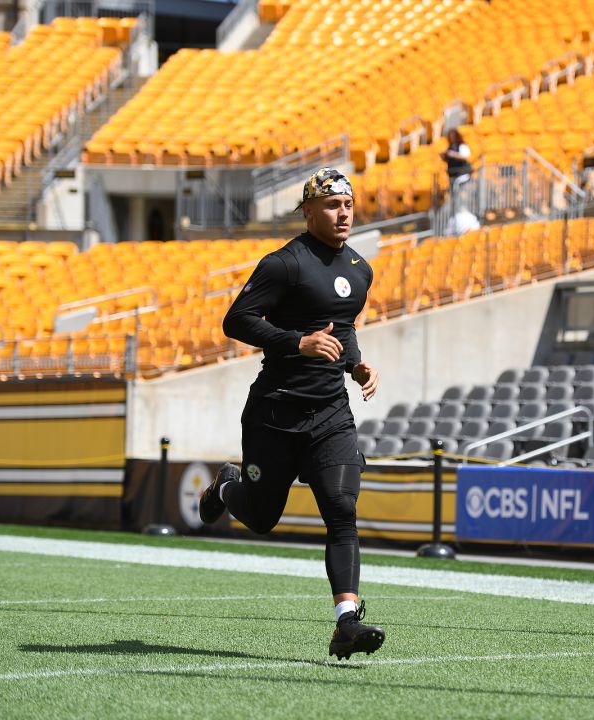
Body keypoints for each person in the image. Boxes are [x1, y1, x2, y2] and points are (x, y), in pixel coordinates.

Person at [199, 167, 385, 660]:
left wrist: (355, 365)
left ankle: (346, 621)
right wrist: (295, 343)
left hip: (330, 415)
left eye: (348, 204)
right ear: (307, 212)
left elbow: (340, 328)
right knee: (262, 519)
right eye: (330, 205)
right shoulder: (284, 264)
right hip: (275, 414)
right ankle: (225, 485)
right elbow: (235, 320)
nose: (342, 212)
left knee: (342, 511)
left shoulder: (361, 270)